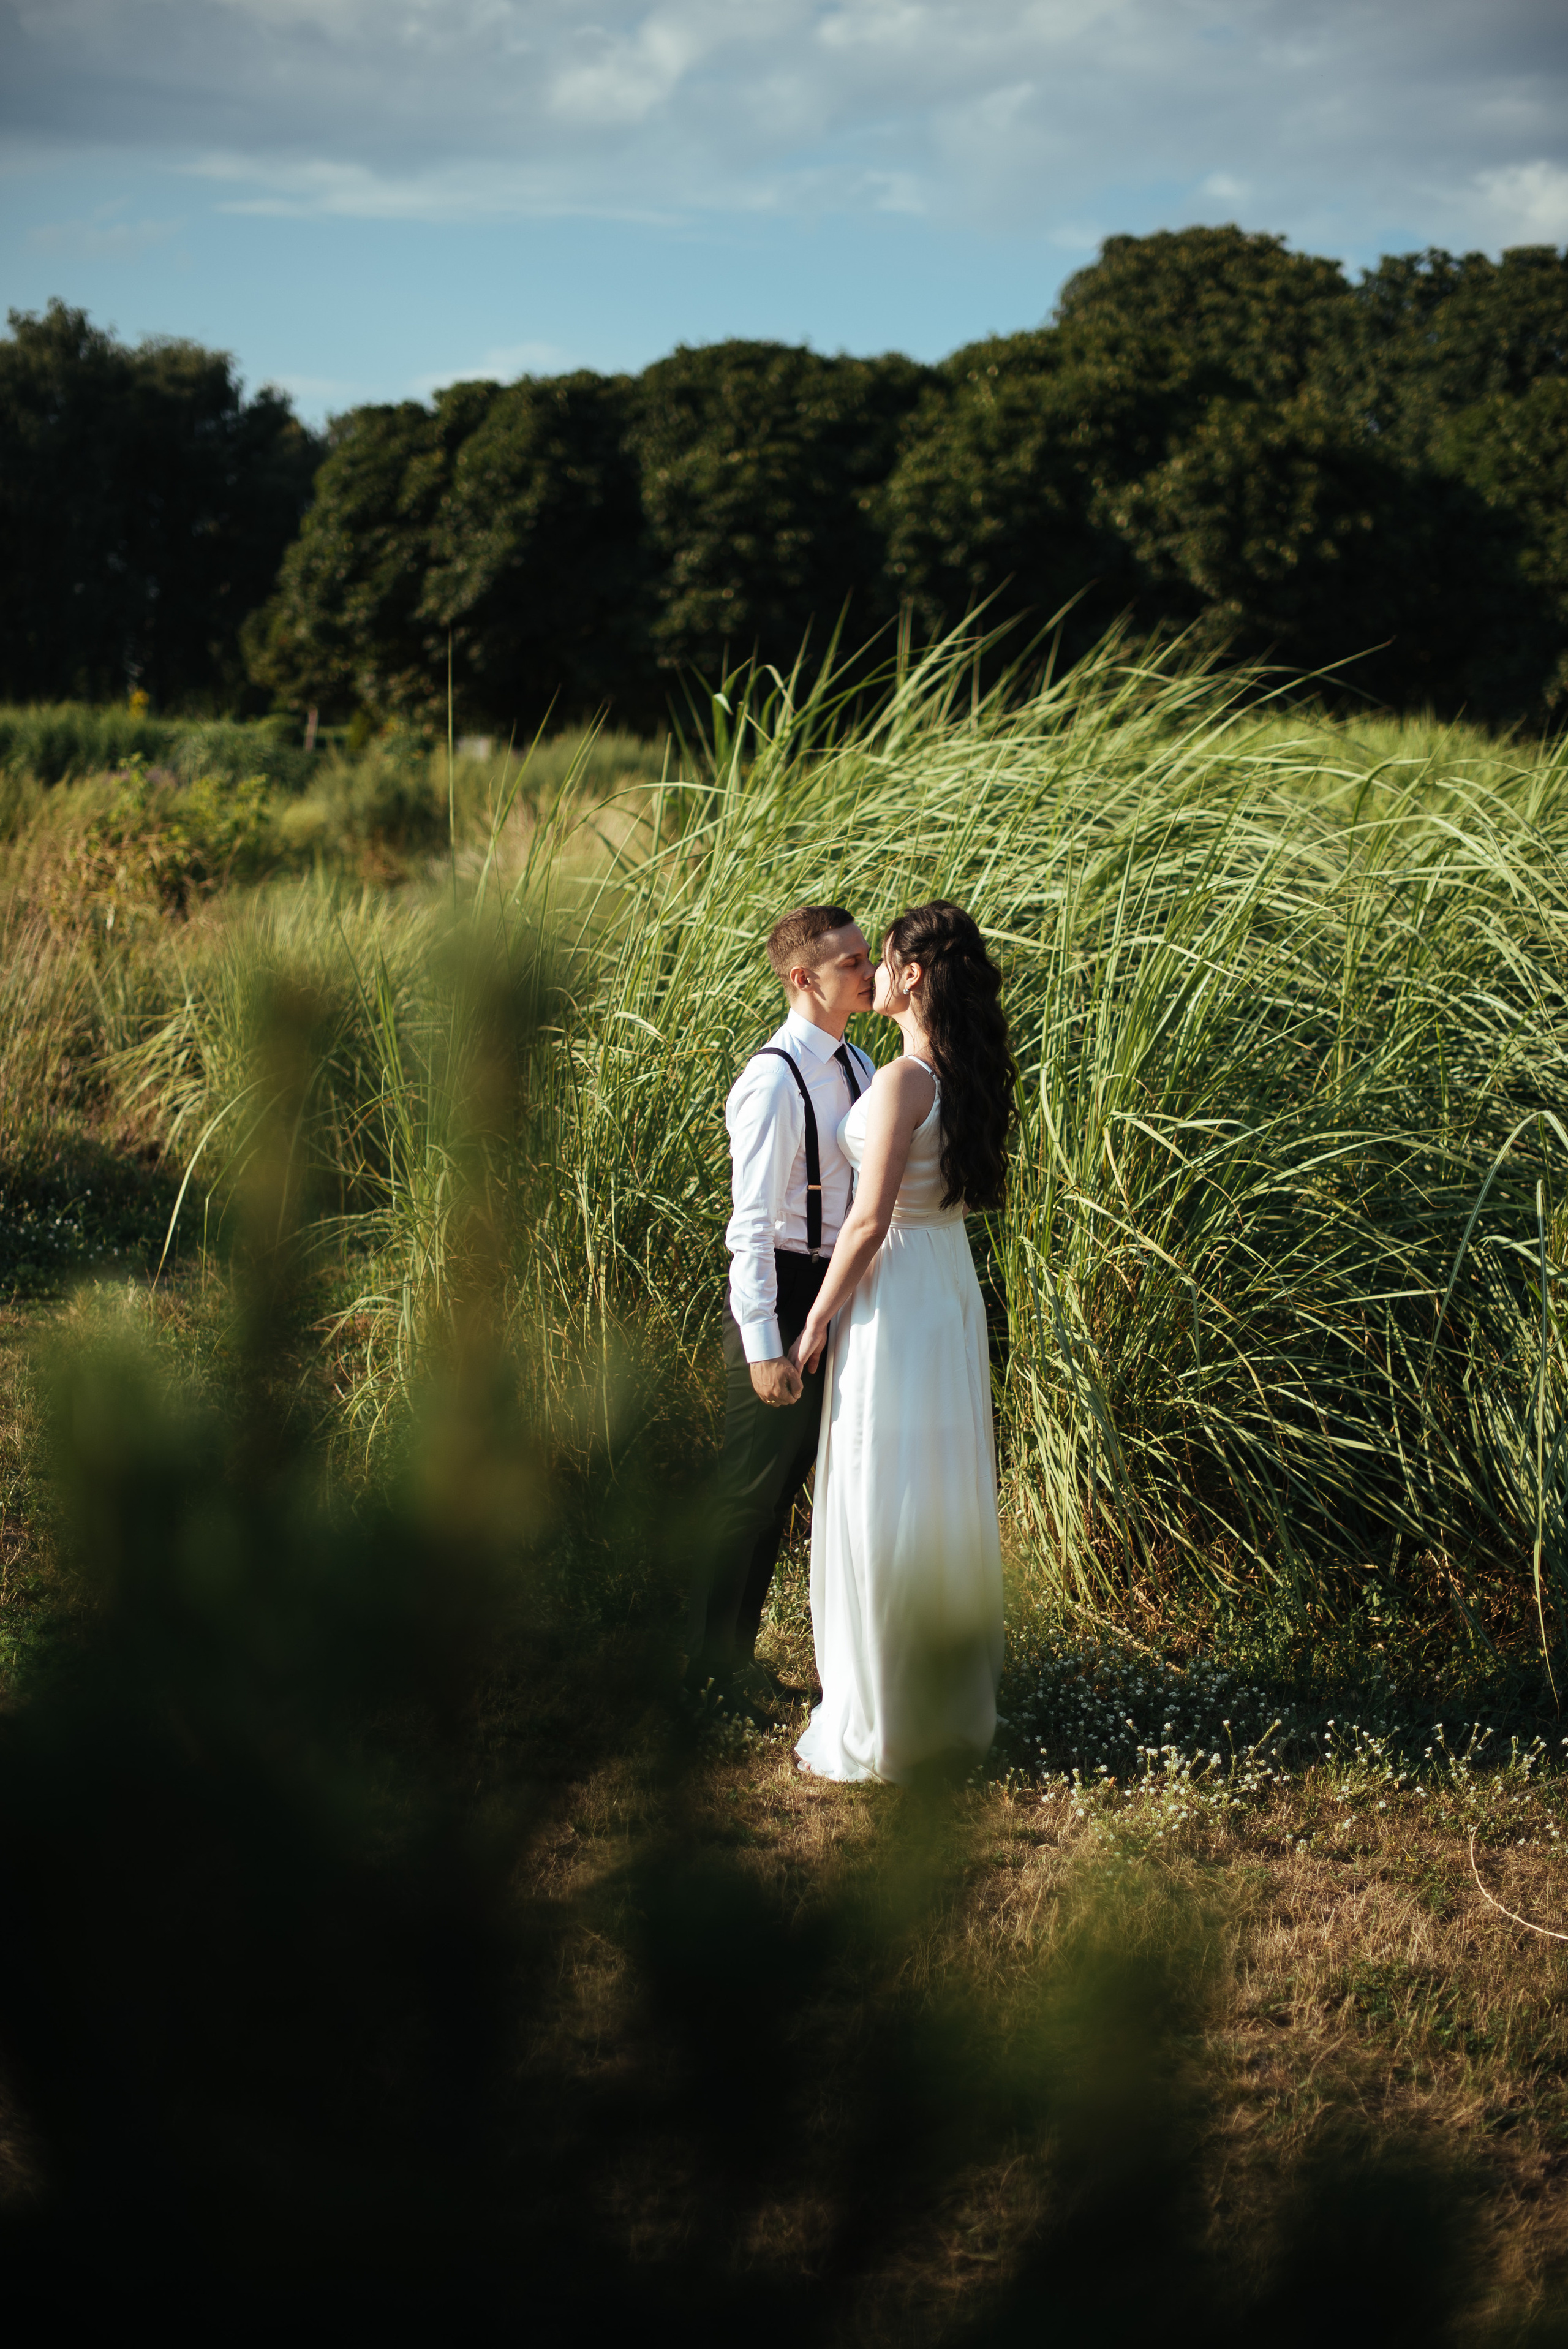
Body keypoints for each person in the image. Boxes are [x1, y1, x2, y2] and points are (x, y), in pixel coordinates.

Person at [790, 900, 1014, 1783]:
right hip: (947, 1280)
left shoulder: (901, 1082)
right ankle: (943, 1698)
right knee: (935, 1484)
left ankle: (891, 1713)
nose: (873, 976)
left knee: (884, 1482)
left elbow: (867, 1221)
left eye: (882, 961)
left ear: (912, 975)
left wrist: (816, 1319)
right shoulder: (964, 1072)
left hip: (896, 1293)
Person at [684, 904, 876, 1707]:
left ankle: (733, 1660)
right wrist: (764, 1344)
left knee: (781, 1489)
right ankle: (702, 1671)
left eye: (866, 956)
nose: (869, 971)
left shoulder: (860, 1061)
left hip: (837, 1290)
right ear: (804, 978)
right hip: (782, 1289)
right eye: (851, 962)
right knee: (748, 1492)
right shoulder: (773, 1078)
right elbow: (752, 1226)